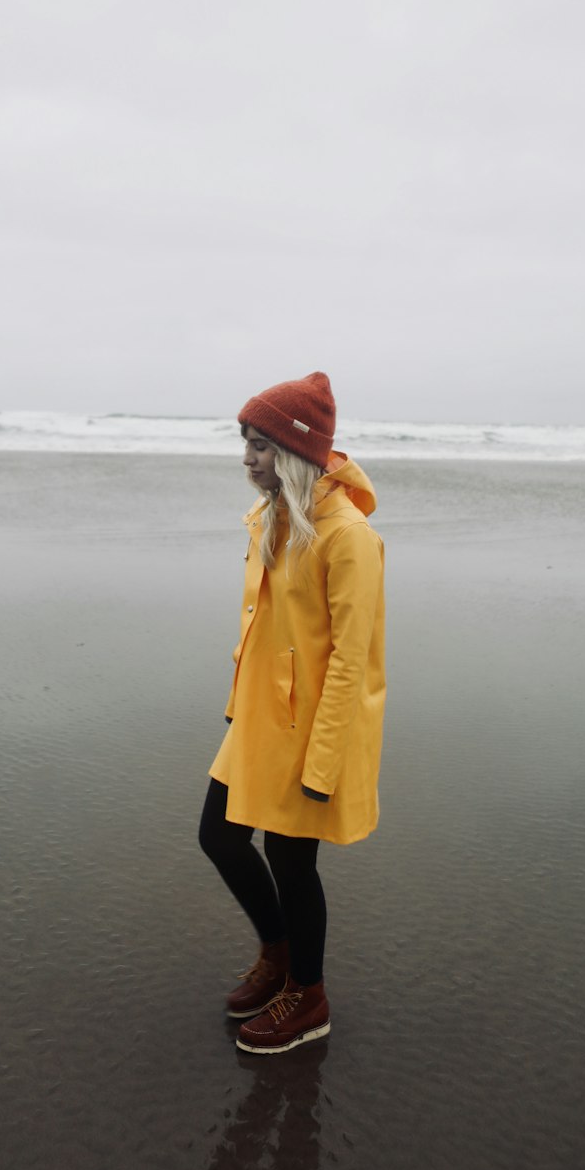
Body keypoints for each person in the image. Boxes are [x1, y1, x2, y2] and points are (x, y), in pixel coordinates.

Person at [199, 371, 386, 1055]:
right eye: (245, 443)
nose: (247, 458)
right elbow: (260, 627)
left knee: (290, 858)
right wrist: (235, 707)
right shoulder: (273, 515)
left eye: (261, 445)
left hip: (311, 731)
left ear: (297, 451)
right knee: (218, 836)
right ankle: (278, 956)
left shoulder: (349, 537)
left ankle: (309, 997)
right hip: (258, 721)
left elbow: (351, 658)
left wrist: (324, 759)